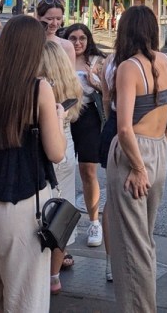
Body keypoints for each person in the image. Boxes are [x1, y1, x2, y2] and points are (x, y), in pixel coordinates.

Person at [0, 16, 66, 312]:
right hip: (23, 201)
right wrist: (58, 117)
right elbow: (56, 153)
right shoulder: (39, 89)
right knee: (25, 300)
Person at [106, 5, 167, 311]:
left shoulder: (128, 68)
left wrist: (137, 166)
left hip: (133, 154)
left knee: (130, 247)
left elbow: (123, 128)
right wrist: (159, 148)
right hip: (159, 148)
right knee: (144, 240)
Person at [39, 41, 85, 294]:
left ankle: (39, 270)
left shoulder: (39, 88)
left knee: (39, 212)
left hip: (46, 150)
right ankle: (54, 276)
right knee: (61, 212)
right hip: (67, 150)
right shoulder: (72, 85)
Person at [64, 22, 106, 248]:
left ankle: (94, 221)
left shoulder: (97, 60)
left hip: (89, 116)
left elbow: (109, 91)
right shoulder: (61, 58)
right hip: (66, 114)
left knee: (88, 169)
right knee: (64, 167)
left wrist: (95, 83)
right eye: (73, 38)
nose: (78, 43)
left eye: (82, 38)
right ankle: (61, 221)